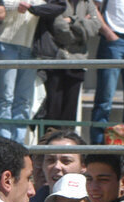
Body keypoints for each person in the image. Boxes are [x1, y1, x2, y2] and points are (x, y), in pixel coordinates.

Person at [0, 1, 65, 143]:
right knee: (6, 95)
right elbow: (2, 3)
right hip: (6, 42)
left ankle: (18, 141)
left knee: (24, 98)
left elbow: (57, 6)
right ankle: (2, 140)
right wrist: (18, 5)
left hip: (31, 45)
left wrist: (32, 7)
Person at [38, 0, 101, 128]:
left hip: (78, 60)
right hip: (56, 59)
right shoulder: (56, 1)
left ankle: (68, 143)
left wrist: (72, 20)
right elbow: (58, 29)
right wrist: (82, 25)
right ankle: (50, 144)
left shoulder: (87, 3)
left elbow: (95, 26)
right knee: (53, 108)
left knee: (70, 110)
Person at [89, 0, 124, 145]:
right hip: (114, 40)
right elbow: (93, 6)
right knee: (104, 100)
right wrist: (108, 32)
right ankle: (97, 150)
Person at [26, 129, 84, 202]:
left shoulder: (96, 200)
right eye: (50, 160)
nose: (57, 166)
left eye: (66, 161)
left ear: (83, 165)